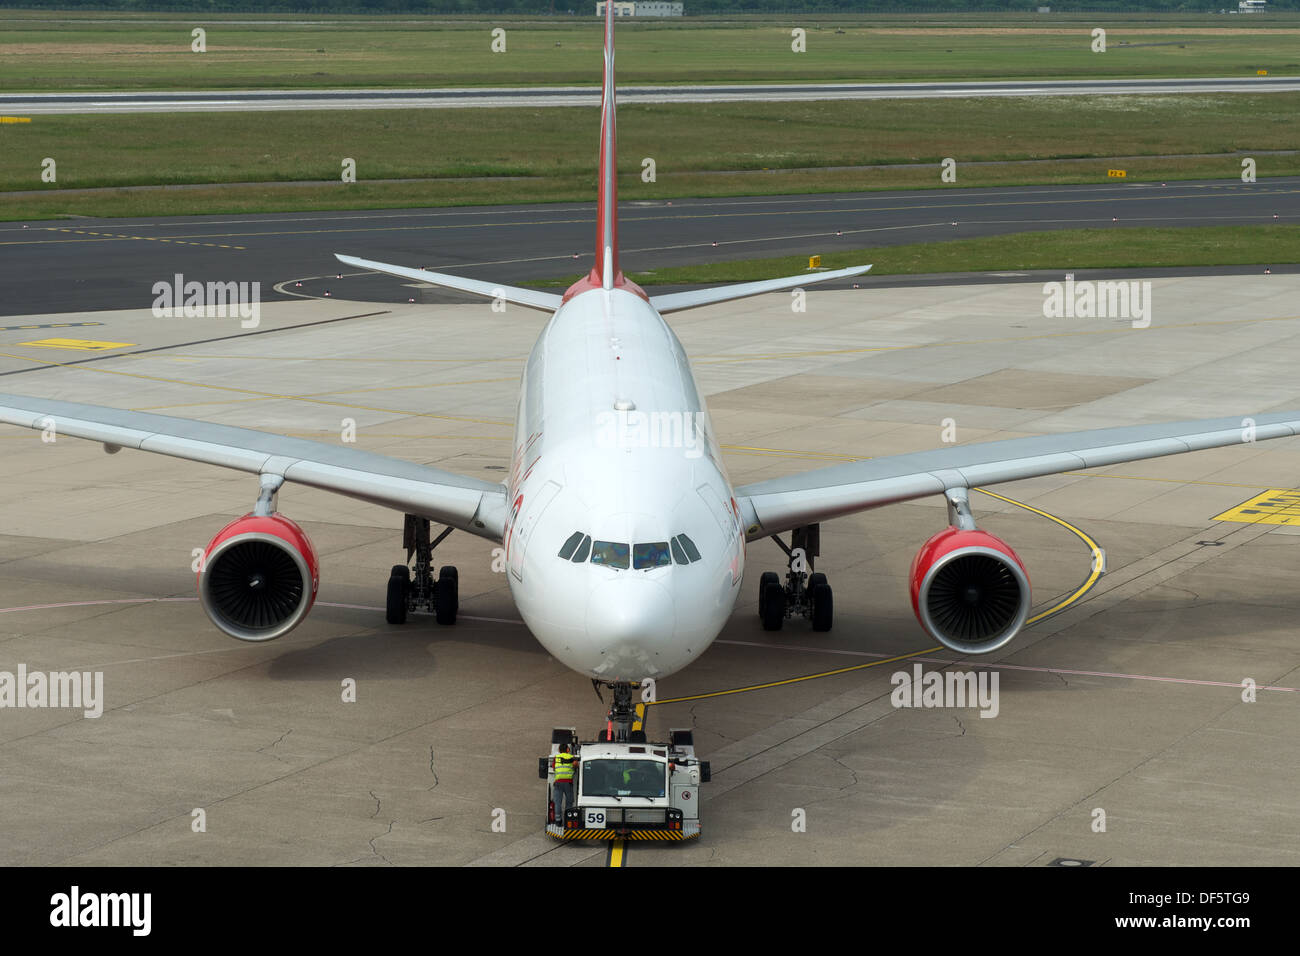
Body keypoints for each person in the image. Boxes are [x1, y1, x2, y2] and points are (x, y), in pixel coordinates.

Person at [552, 745, 577, 820]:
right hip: (568, 783)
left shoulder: (556, 758)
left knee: (558, 802)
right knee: (569, 802)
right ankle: (567, 819)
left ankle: (558, 820)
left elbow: (554, 768)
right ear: (568, 749)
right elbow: (576, 764)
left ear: (559, 750)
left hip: (558, 782)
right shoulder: (571, 757)